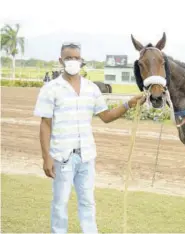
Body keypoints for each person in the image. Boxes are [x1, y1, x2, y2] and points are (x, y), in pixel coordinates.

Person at [33, 42, 145, 233]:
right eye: (69, 58)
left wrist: (129, 104)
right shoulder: (51, 89)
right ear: (61, 61)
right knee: (60, 203)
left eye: (76, 58)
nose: (73, 61)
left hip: (86, 156)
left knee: (87, 202)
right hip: (62, 157)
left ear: (82, 61)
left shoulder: (91, 88)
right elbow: (45, 124)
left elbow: (106, 116)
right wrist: (46, 157)